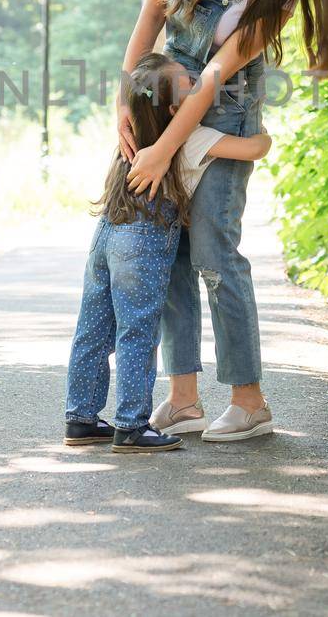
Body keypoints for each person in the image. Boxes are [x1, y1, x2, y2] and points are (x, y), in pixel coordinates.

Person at [118, 0, 328, 442]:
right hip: (163, 97)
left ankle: (250, 400)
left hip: (221, 110)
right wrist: (128, 96)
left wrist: (162, 153)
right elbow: (151, 11)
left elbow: (217, 74)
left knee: (214, 256)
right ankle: (184, 399)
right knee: (165, 250)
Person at [65, 51, 272, 453]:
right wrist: (265, 135)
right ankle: (130, 425)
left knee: (93, 328)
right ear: (178, 110)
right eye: (190, 85)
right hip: (142, 245)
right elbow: (255, 149)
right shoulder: (193, 137)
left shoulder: (131, 138)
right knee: (137, 333)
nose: (198, 87)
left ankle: (81, 418)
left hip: (107, 233)